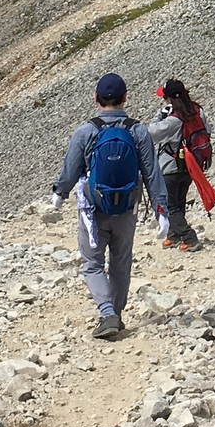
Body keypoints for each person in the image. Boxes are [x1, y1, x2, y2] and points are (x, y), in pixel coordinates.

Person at [50, 73, 167, 340]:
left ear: (96, 99)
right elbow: (152, 173)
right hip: (126, 207)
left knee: (92, 263)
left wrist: (60, 193)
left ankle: (106, 313)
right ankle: (116, 313)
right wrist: (162, 211)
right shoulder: (138, 130)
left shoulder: (86, 131)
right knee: (121, 261)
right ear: (125, 98)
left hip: (93, 208)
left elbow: (70, 169)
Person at [148, 78, 213, 249]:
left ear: (169, 100)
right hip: (191, 165)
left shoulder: (173, 120)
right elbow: (208, 131)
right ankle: (174, 236)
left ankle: (189, 238)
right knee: (179, 201)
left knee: (169, 206)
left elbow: (151, 133)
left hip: (170, 166)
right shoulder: (197, 112)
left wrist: (160, 115)